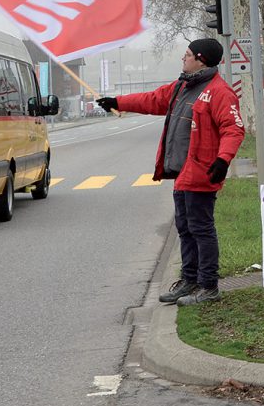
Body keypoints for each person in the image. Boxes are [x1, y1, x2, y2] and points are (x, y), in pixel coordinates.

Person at [96, 39, 244, 305]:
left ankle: (209, 286)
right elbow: (152, 100)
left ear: (201, 59)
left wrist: (223, 160)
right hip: (183, 173)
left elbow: (233, 129)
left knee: (201, 229)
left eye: (187, 55)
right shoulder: (183, 87)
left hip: (202, 172)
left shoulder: (219, 92)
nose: (182, 59)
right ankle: (189, 281)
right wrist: (118, 101)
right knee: (185, 229)